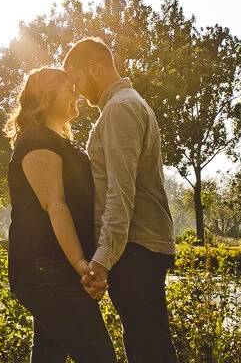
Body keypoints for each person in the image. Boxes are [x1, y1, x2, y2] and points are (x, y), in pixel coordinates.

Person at [64, 38, 179, 363]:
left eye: (77, 80)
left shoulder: (119, 109)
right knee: (149, 345)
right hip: (137, 248)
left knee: (149, 350)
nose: (77, 92)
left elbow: (120, 191)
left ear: (94, 68)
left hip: (135, 250)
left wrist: (102, 260)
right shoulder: (127, 104)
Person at [5, 66, 117, 363]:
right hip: (46, 267)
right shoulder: (37, 139)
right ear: (48, 95)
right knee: (100, 357)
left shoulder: (58, 141)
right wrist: (82, 264)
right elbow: (54, 204)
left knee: (49, 356)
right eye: (70, 87)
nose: (77, 93)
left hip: (56, 268)